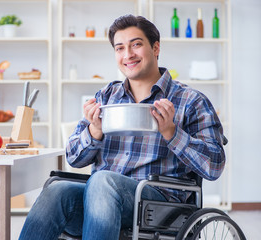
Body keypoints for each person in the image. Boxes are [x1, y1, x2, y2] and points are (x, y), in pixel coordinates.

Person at [19, 14, 227, 240]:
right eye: (120, 48)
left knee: (102, 180)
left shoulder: (191, 100)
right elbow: (73, 157)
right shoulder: (107, 96)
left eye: (136, 44)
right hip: (100, 204)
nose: (128, 55)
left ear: (156, 48)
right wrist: (94, 132)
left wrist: (172, 133)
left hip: (160, 206)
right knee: (56, 191)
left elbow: (214, 166)